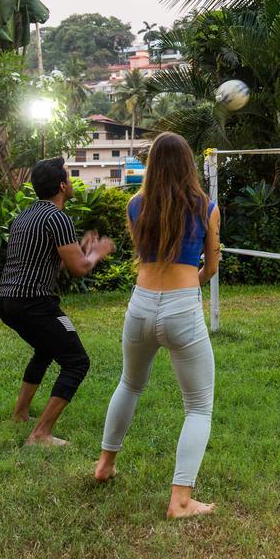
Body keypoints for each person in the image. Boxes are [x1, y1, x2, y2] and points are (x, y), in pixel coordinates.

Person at [95, 132, 219, 519]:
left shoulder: (135, 205)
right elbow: (211, 267)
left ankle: (104, 465)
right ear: (188, 164)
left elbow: (143, 254)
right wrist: (187, 289)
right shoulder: (206, 207)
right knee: (198, 407)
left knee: (129, 384)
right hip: (182, 307)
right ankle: (180, 501)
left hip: (141, 304)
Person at [0, 157, 116, 446]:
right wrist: (97, 253)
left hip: (8, 302)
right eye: (69, 177)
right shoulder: (58, 217)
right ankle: (41, 434)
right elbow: (79, 269)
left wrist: (81, 251)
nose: (72, 181)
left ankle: (20, 414)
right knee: (77, 361)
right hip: (35, 303)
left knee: (45, 349)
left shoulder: (25, 216)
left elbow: (53, 262)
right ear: (62, 186)